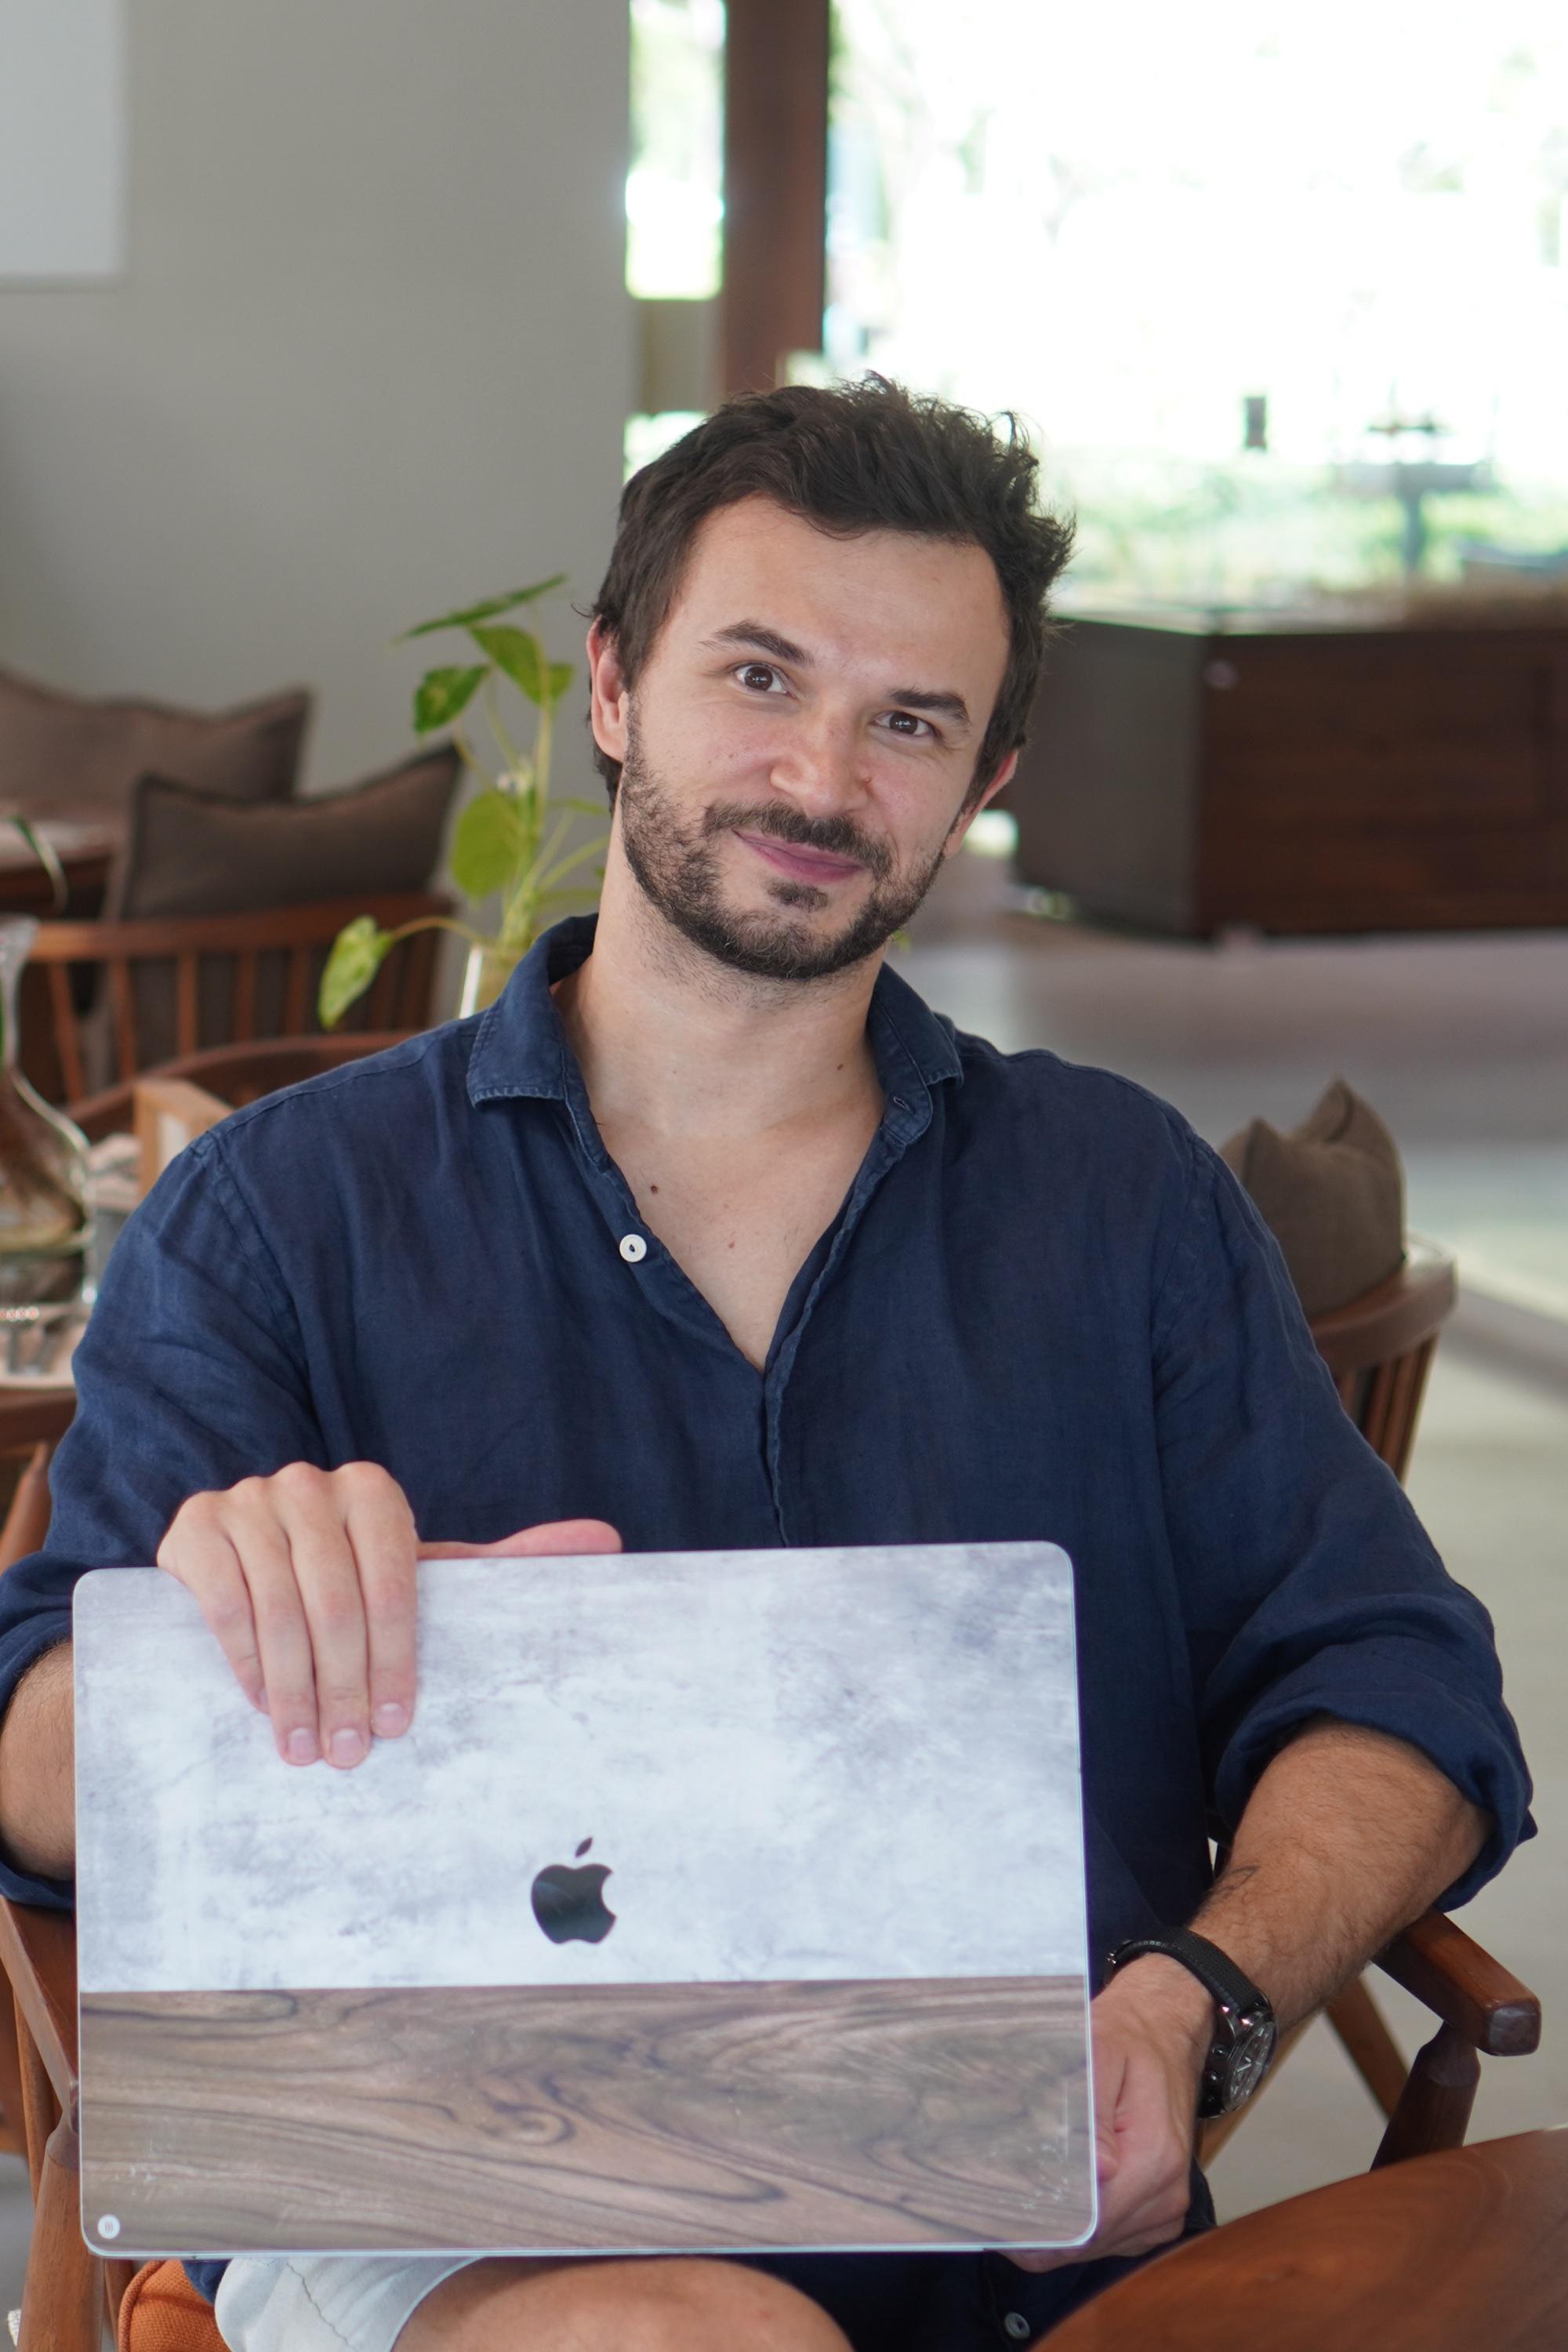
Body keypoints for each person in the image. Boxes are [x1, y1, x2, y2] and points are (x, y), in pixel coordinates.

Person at [0, 379, 1530, 2352]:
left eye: (909, 721)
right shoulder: (288, 1211)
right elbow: (30, 1766)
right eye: (760, 675)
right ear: (616, 684)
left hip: (1003, 2223)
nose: (821, 778)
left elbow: (1397, 1686)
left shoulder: (1117, 1201)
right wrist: (198, 1650)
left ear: (986, 776)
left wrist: (1197, 2000)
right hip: (448, 2187)